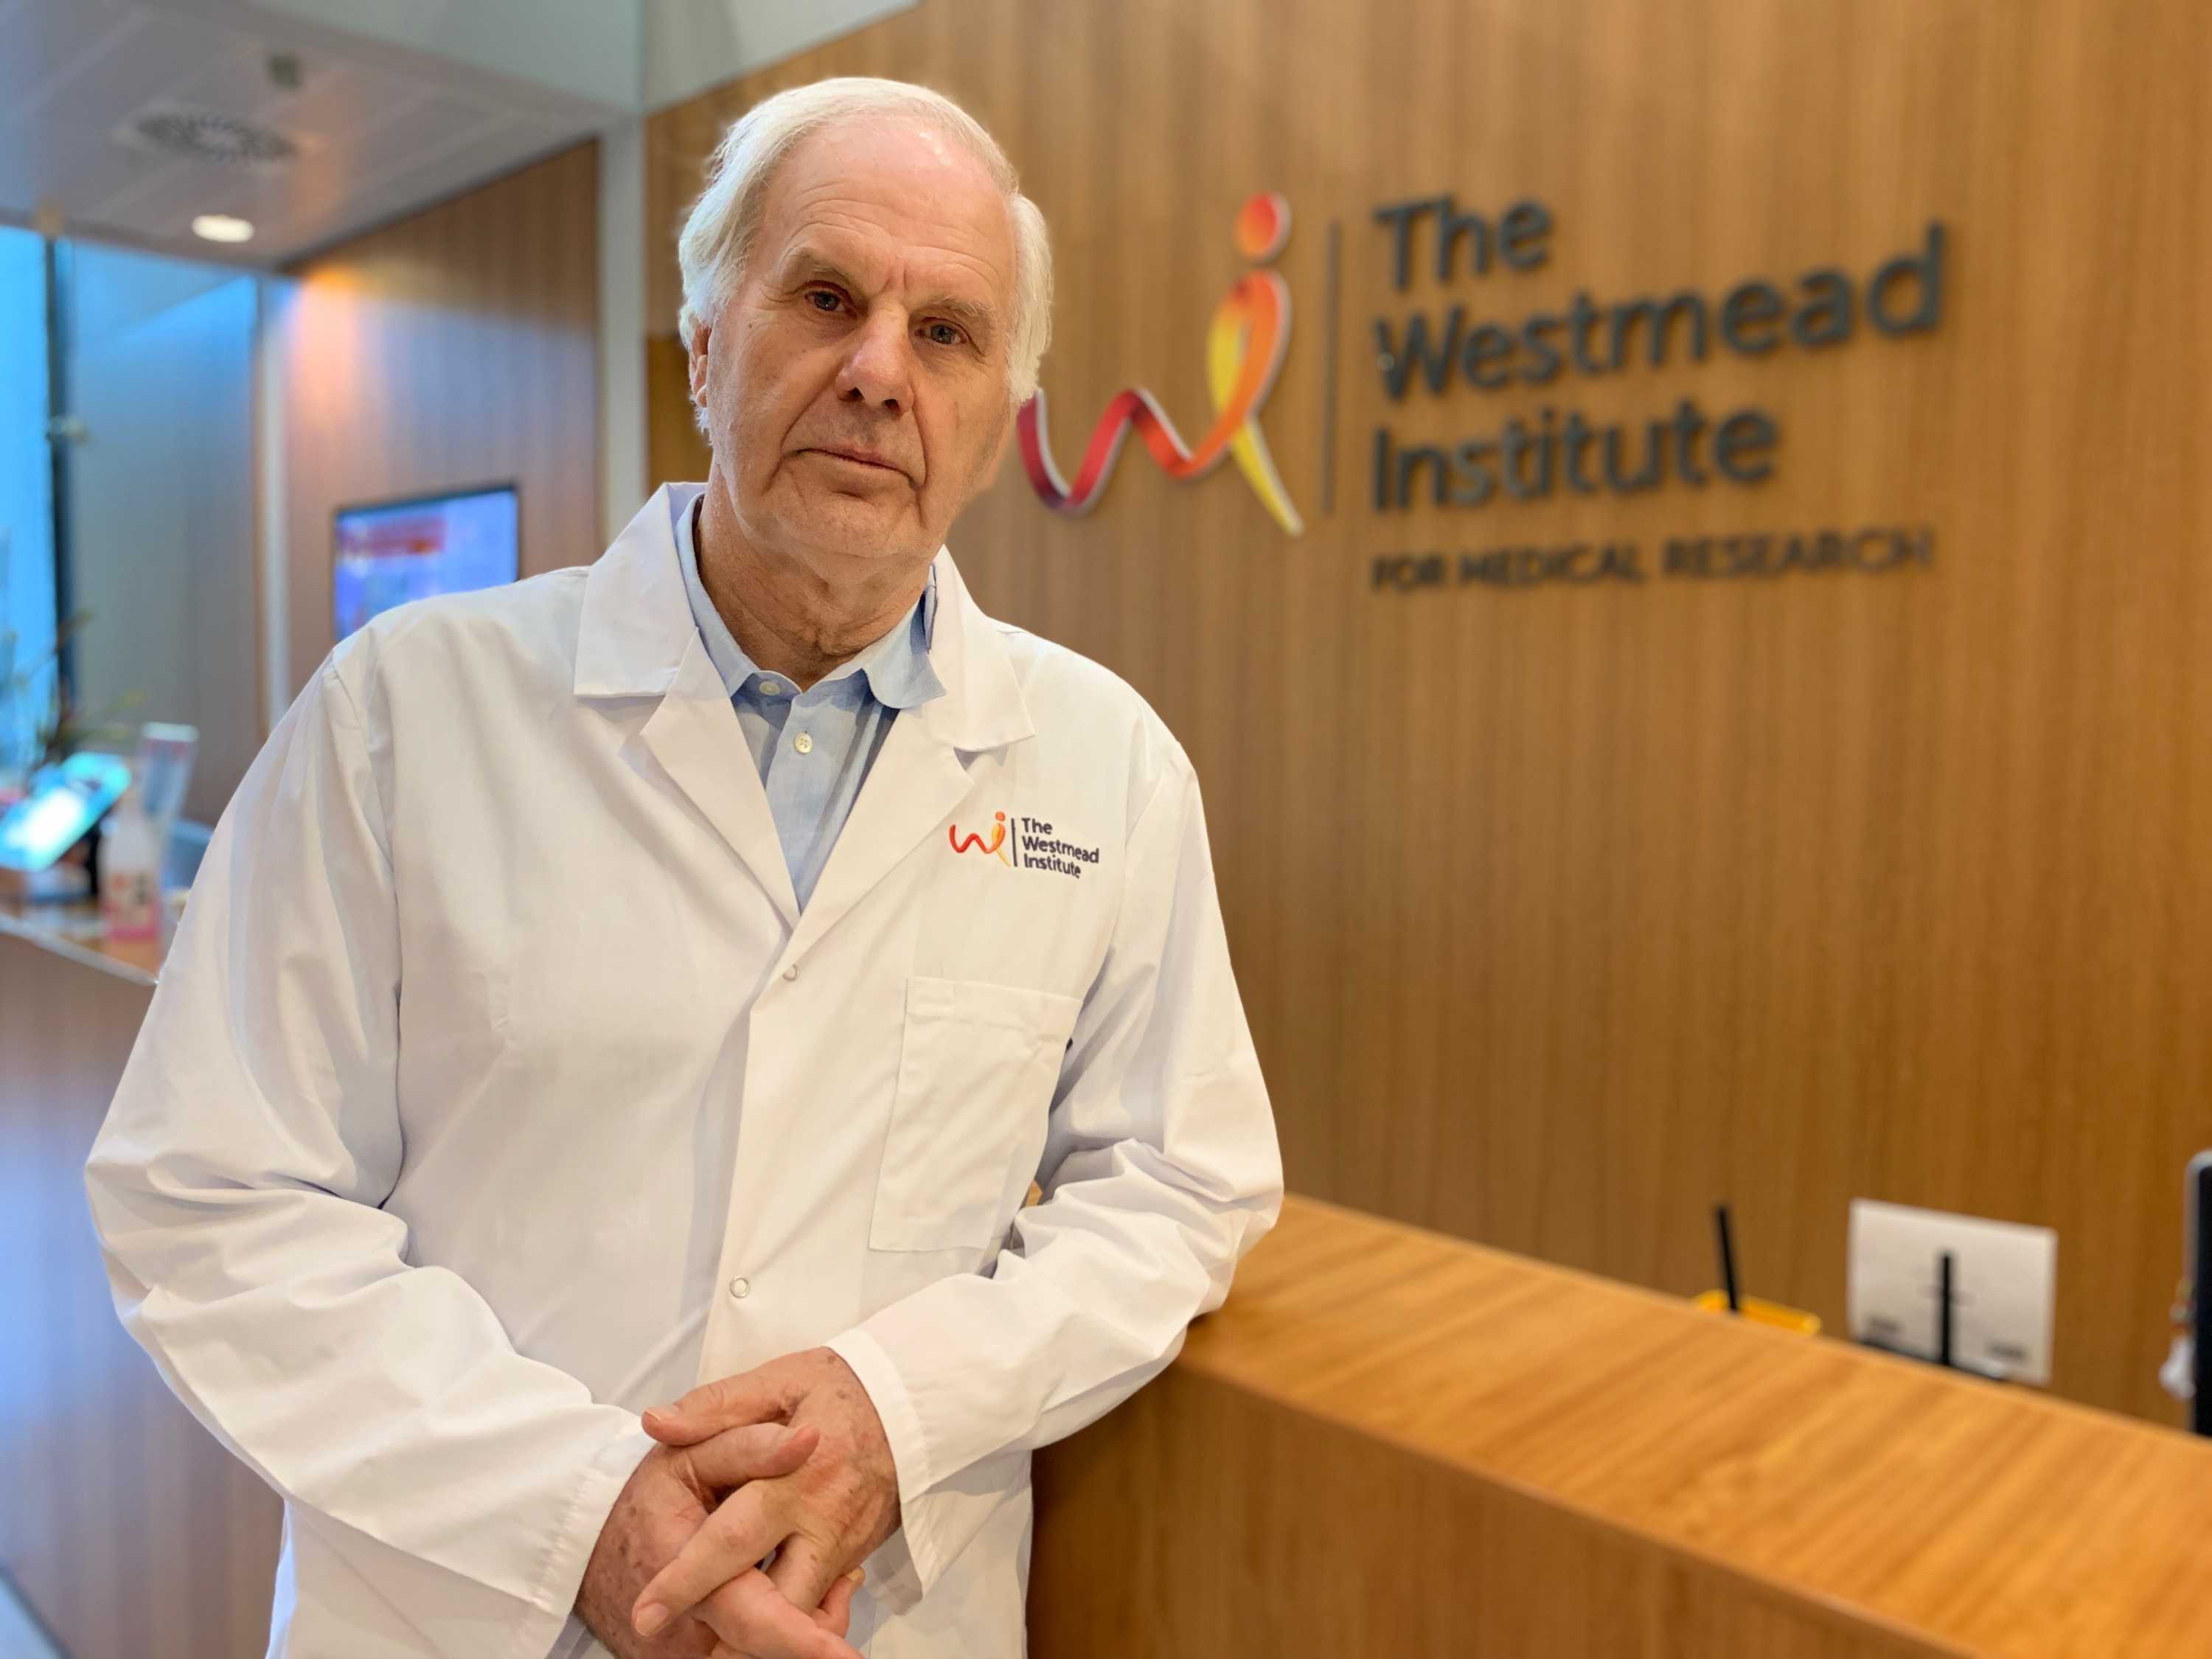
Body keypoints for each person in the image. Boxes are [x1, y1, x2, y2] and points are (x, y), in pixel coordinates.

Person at [84, 76, 1281, 1659]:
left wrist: (899, 1412)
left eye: (947, 334)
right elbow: (210, 1196)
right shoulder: (405, 710)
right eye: (828, 297)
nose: (877, 373)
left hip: (878, 1617)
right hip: (464, 1609)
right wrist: (578, 1508)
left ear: (1000, 415)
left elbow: (1183, 1183)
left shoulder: (1105, 764)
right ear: (707, 344)